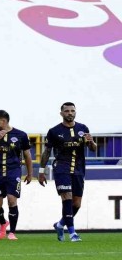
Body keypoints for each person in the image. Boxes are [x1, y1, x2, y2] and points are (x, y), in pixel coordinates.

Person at [39, 102, 96, 242]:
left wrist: (91, 142)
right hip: (61, 168)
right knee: (67, 198)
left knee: (76, 204)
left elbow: (93, 148)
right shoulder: (54, 131)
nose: (70, 113)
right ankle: (72, 233)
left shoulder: (83, 128)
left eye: (72, 111)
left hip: (78, 169)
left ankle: (60, 225)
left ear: (75, 112)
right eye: (67, 111)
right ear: (61, 113)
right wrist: (41, 171)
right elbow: (47, 152)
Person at [0, 110, 33, 240]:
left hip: (13, 172)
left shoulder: (21, 135)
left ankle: (12, 232)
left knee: (11, 200)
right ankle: (3, 223)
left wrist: (30, 173)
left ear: (3, 121)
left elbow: (27, 155)